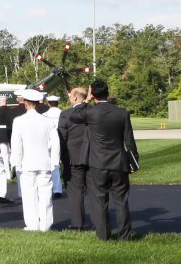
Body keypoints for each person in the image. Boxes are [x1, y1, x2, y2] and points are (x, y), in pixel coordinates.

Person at [71, 79, 140, 241]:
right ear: (107, 93)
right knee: (121, 201)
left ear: (93, 94)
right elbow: (129, 140)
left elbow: (73, 115)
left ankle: (103, 235)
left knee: (99, 201)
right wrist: (133, 162)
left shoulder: (90, 112)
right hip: (118, 162)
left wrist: (86, 100)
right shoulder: (122, 113)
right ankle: (125, 235)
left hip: (97, 164)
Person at [10, 89, 60, 231]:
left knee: (29, 195)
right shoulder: (48, 121)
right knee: (45, 195)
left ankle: (33, 225)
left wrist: (17, 163)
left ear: (25, 103)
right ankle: (45, 225)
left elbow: (17, 144)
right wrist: (54, 161)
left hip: (27, 162)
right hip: (45, 162)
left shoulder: (19, 121)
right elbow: (55, 143)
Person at [58, 87, 91, 231]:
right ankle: (101, 222)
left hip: (73, 158)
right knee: (96, 193)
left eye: (71, 96)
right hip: (93, 157)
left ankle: (78, 224)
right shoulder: (93, 112)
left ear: (76, 98)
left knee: (75, 192)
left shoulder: (66, 114)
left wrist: (59, 156)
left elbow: (61, 137)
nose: (70, 99)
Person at [44, 95, 65, 199]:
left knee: (52, 165)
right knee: (63, 163)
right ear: (58, 103)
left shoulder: (44, 115)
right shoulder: (63, 114)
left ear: (49, 103)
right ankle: (62, 187)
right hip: (63, 140)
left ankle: (56, 189)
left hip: (49, 141)